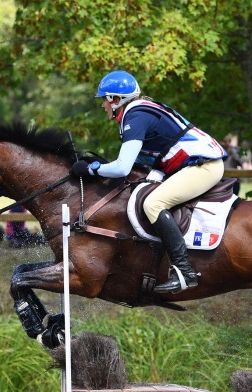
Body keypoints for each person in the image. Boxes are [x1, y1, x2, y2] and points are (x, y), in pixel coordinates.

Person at [70, 70, 227, 293]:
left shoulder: (135, 116)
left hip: (203, 167)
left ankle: (185, 271)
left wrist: (91, 169)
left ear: (116, 99)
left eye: (105, 99)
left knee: (153, 204)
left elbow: (123, 167)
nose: (103, 105)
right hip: (191, 165)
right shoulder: (140, 110)